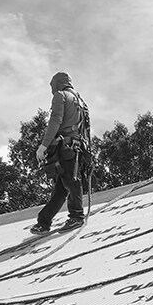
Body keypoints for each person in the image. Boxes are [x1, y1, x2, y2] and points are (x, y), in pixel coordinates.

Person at [33, 72, 92, 234]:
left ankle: (76, 217)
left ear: (57, 83)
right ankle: (44, 222)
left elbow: (56, 119)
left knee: (71, 181)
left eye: (52, 85)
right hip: (78, 148)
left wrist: (43, 146)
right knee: (61, 187)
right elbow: (86, 129)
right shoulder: (81, 101)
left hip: (65, 146)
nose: (51, 89)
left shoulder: (61, 96)